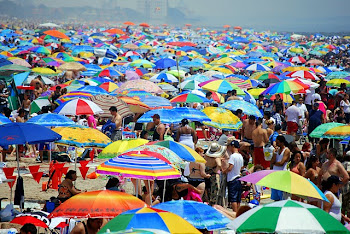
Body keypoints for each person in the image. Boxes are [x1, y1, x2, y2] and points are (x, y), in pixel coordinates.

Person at [223, 140, 244, 212]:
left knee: (233, 198)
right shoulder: (240, 156)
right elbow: (241, 167)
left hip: (232, 179)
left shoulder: (233, 156)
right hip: (238, 177)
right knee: (238, 198)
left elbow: (230, 167)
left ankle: (235, 213)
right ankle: (238, 212)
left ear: (233, 146)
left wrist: (224, 171)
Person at [270, 136, 291, 201]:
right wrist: (275, 153)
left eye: (277, 142)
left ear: (282, 142)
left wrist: (274, 163)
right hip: (275, 174)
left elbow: (281, 163)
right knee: (275, 195)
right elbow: (271, 161)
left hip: (282, 174)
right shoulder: (276, 150)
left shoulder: (286, 150)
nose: (276, 143)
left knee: (282, 195)